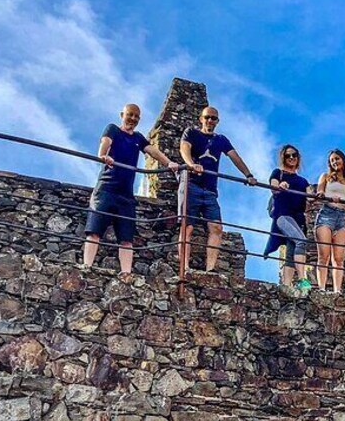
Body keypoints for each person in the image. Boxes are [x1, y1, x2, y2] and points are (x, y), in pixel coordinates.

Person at [83, 104, 180, 275]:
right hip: (106, 188)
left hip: (126, 194)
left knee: (127, 238)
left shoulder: (138, 138)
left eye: (136, 116)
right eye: (130, 115)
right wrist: (103, 155)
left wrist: (169, 163)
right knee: (94, 231)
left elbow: (152, 151)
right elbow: (106, 141)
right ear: (122, 115)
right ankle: (87, 267)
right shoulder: (113, 129)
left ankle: (126, 274)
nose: (133, 119)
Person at [178, 106, 258, 273]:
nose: (210, 121)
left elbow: (235, 156)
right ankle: (184, 267)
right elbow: (184, 148)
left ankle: (210, 269)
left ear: (217, 121)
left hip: (210, 190)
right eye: (207, 117)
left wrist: (248, 174)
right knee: (188, 227)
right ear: (201, 118)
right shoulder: (191, 133)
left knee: (217, 228)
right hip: (191, 185)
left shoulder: (221, 139)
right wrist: (191, 165)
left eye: (213, 118)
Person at [263, 145, 311, 291]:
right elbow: (273, 186)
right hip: (283, 216)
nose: (291, 158)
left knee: (291, 251)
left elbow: (310, 196)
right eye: (288, 155)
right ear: (283, 158)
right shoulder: (278, 173)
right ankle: (303, 279)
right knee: (301, 241)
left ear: (298, 158)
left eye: (294, 155)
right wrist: (280, 186)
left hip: (297, 219)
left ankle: (286, 285)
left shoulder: (303, 181)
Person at [315, 149, 345, 293]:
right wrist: (324, 195)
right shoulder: (325, 177)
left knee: (338, 258)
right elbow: (319, 192)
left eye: (337, 159)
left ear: (343, 160)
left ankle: (337, 290)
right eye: (332, 160)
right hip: (327, 213)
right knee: (323, 255)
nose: (335, 162)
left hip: (342, 217)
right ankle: (321, 288)